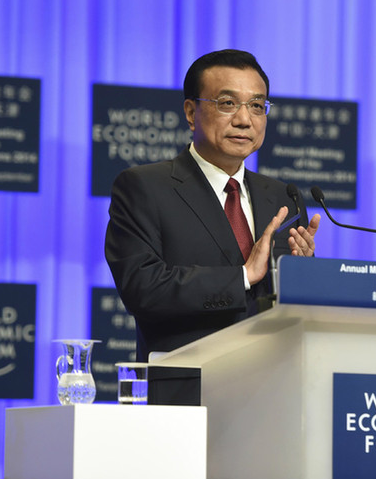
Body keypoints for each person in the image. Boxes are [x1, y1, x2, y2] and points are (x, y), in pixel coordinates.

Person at [105, 49, 320, 403]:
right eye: (227, 103)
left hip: (274, 394)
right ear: (191, 112)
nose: (244, 120)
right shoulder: (145, 187)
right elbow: (143, 288)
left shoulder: (283, 197)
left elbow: (288, 310)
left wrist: (302, 275)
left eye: (257, 106)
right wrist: (242, 276)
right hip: (186, 395)